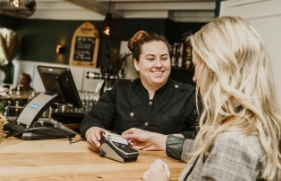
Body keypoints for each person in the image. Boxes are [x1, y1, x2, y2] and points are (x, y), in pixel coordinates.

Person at [122, 16, 281, 181]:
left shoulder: (232, 144)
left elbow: (220, 151)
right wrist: (154, 139)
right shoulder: (250, 124)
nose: (195, 78)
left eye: (196, 65)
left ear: (215, 67)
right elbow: (204, 149)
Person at [80, 30, 199, 151]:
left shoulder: (188, 95)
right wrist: (93, 130)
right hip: (122, 165)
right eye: (151, 59)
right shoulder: (120, 91)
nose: (158, 64)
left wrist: (162, 141)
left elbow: (202, 134)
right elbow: (92, 118)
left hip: (167, 167)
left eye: (164, 58)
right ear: (136, 63)